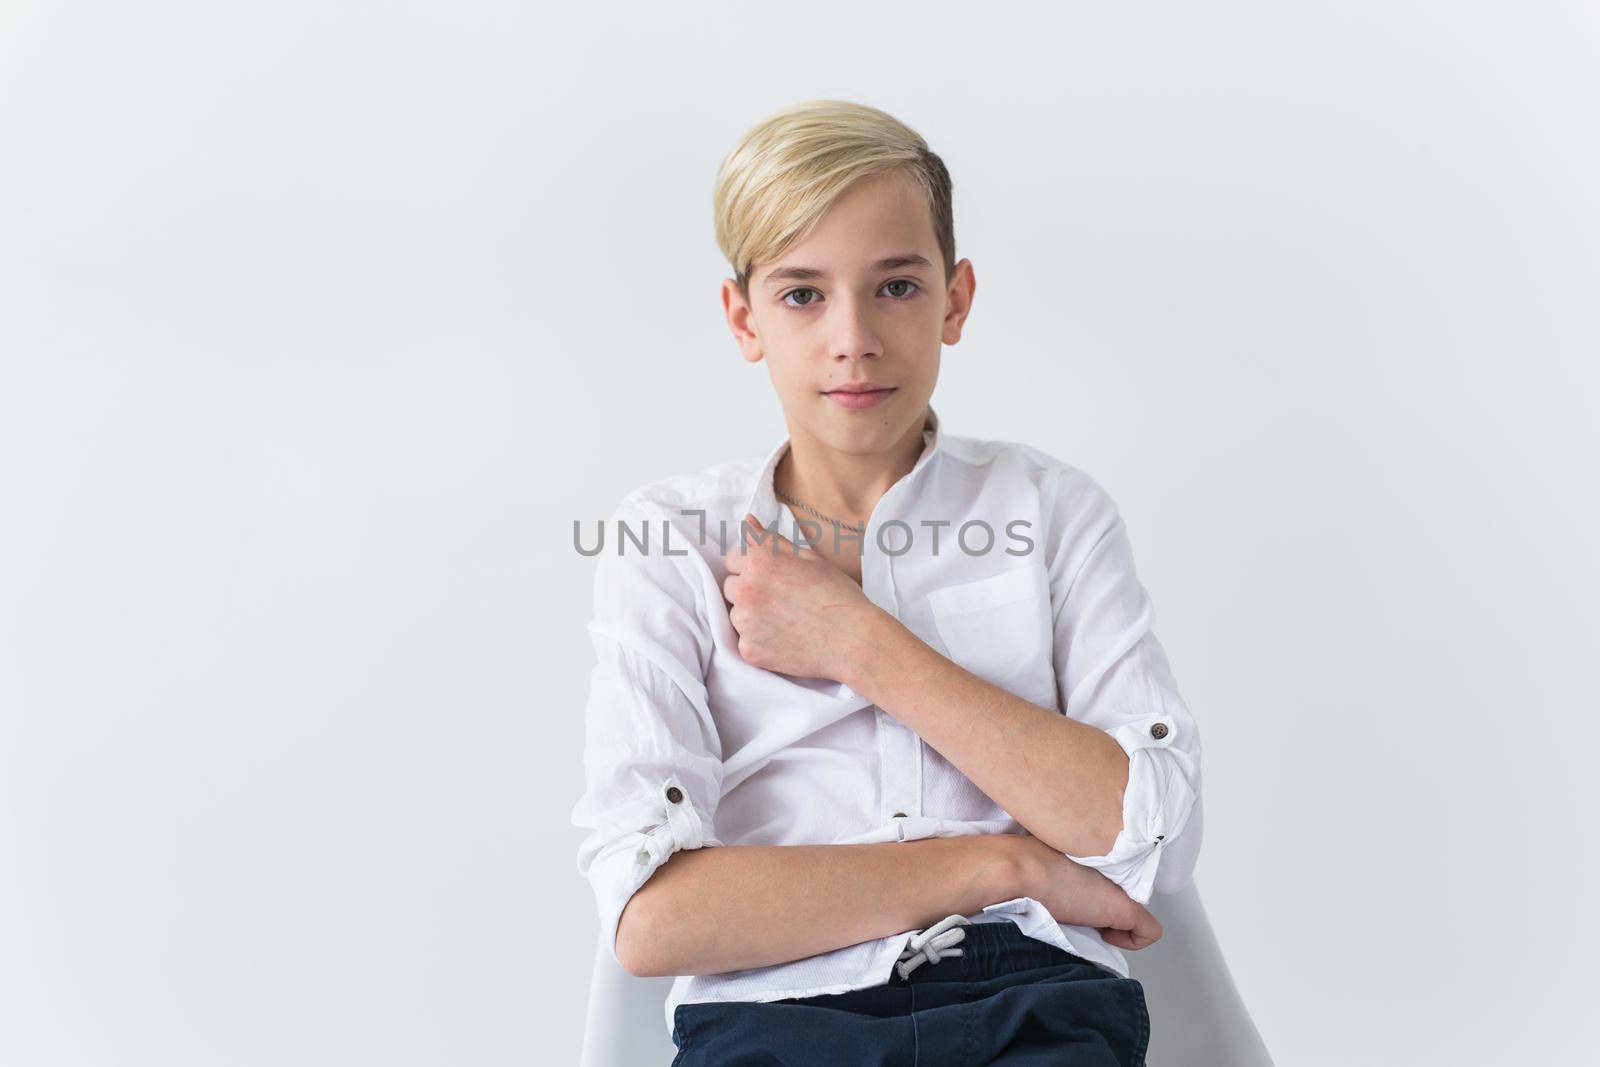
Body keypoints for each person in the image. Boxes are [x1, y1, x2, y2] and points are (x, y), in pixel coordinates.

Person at [569, 99, 1203, 1066]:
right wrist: (1000, 862)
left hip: (1037, 994)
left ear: (956, 299)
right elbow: (654, 914)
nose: (853, 336)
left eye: (896, 286)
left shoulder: (1052, 511)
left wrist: (856, 640)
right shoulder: (669, 541)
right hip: (779, 1009)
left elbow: (1147, 833)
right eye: (801, 294)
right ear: (744, 317)